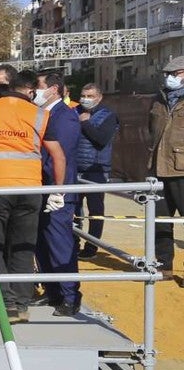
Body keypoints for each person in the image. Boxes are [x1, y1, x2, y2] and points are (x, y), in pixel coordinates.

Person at [0, 70, 66, 324]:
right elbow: (57, 155)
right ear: (30, 91)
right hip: (30, 189)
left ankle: (7, 304)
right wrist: (57, 190)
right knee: (23, 247)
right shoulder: (41, 114)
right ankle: (21, 305)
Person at [34, 72, 82, 314]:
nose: (35, 91)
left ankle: (70, 295)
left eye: (39, 87)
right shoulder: (43, 114)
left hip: (58, 191)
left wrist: (57, 188)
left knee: (60, 243)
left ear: (53, 89)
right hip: (41, 188)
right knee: (42, 243)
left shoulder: (65, 117)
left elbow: (58, 156)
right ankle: (52, 291)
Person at [74, 84, 118, 260]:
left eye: (90, 95)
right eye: (83, 95)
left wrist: (85, 123)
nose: (85, 99)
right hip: (75, 168)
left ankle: (91, 246)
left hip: (96, 169)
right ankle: (73, 243)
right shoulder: (74, 111)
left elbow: (101, 139)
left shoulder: (108, 115)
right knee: (73, 209)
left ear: (99, 97)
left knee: (95, 210)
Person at [151, 55, 184, 282]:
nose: (170, 79)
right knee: (161, 220)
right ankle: (164, 266)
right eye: (168, 75)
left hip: (182, 169)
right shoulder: (159, 100)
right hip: (158, 167)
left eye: (174, 74)